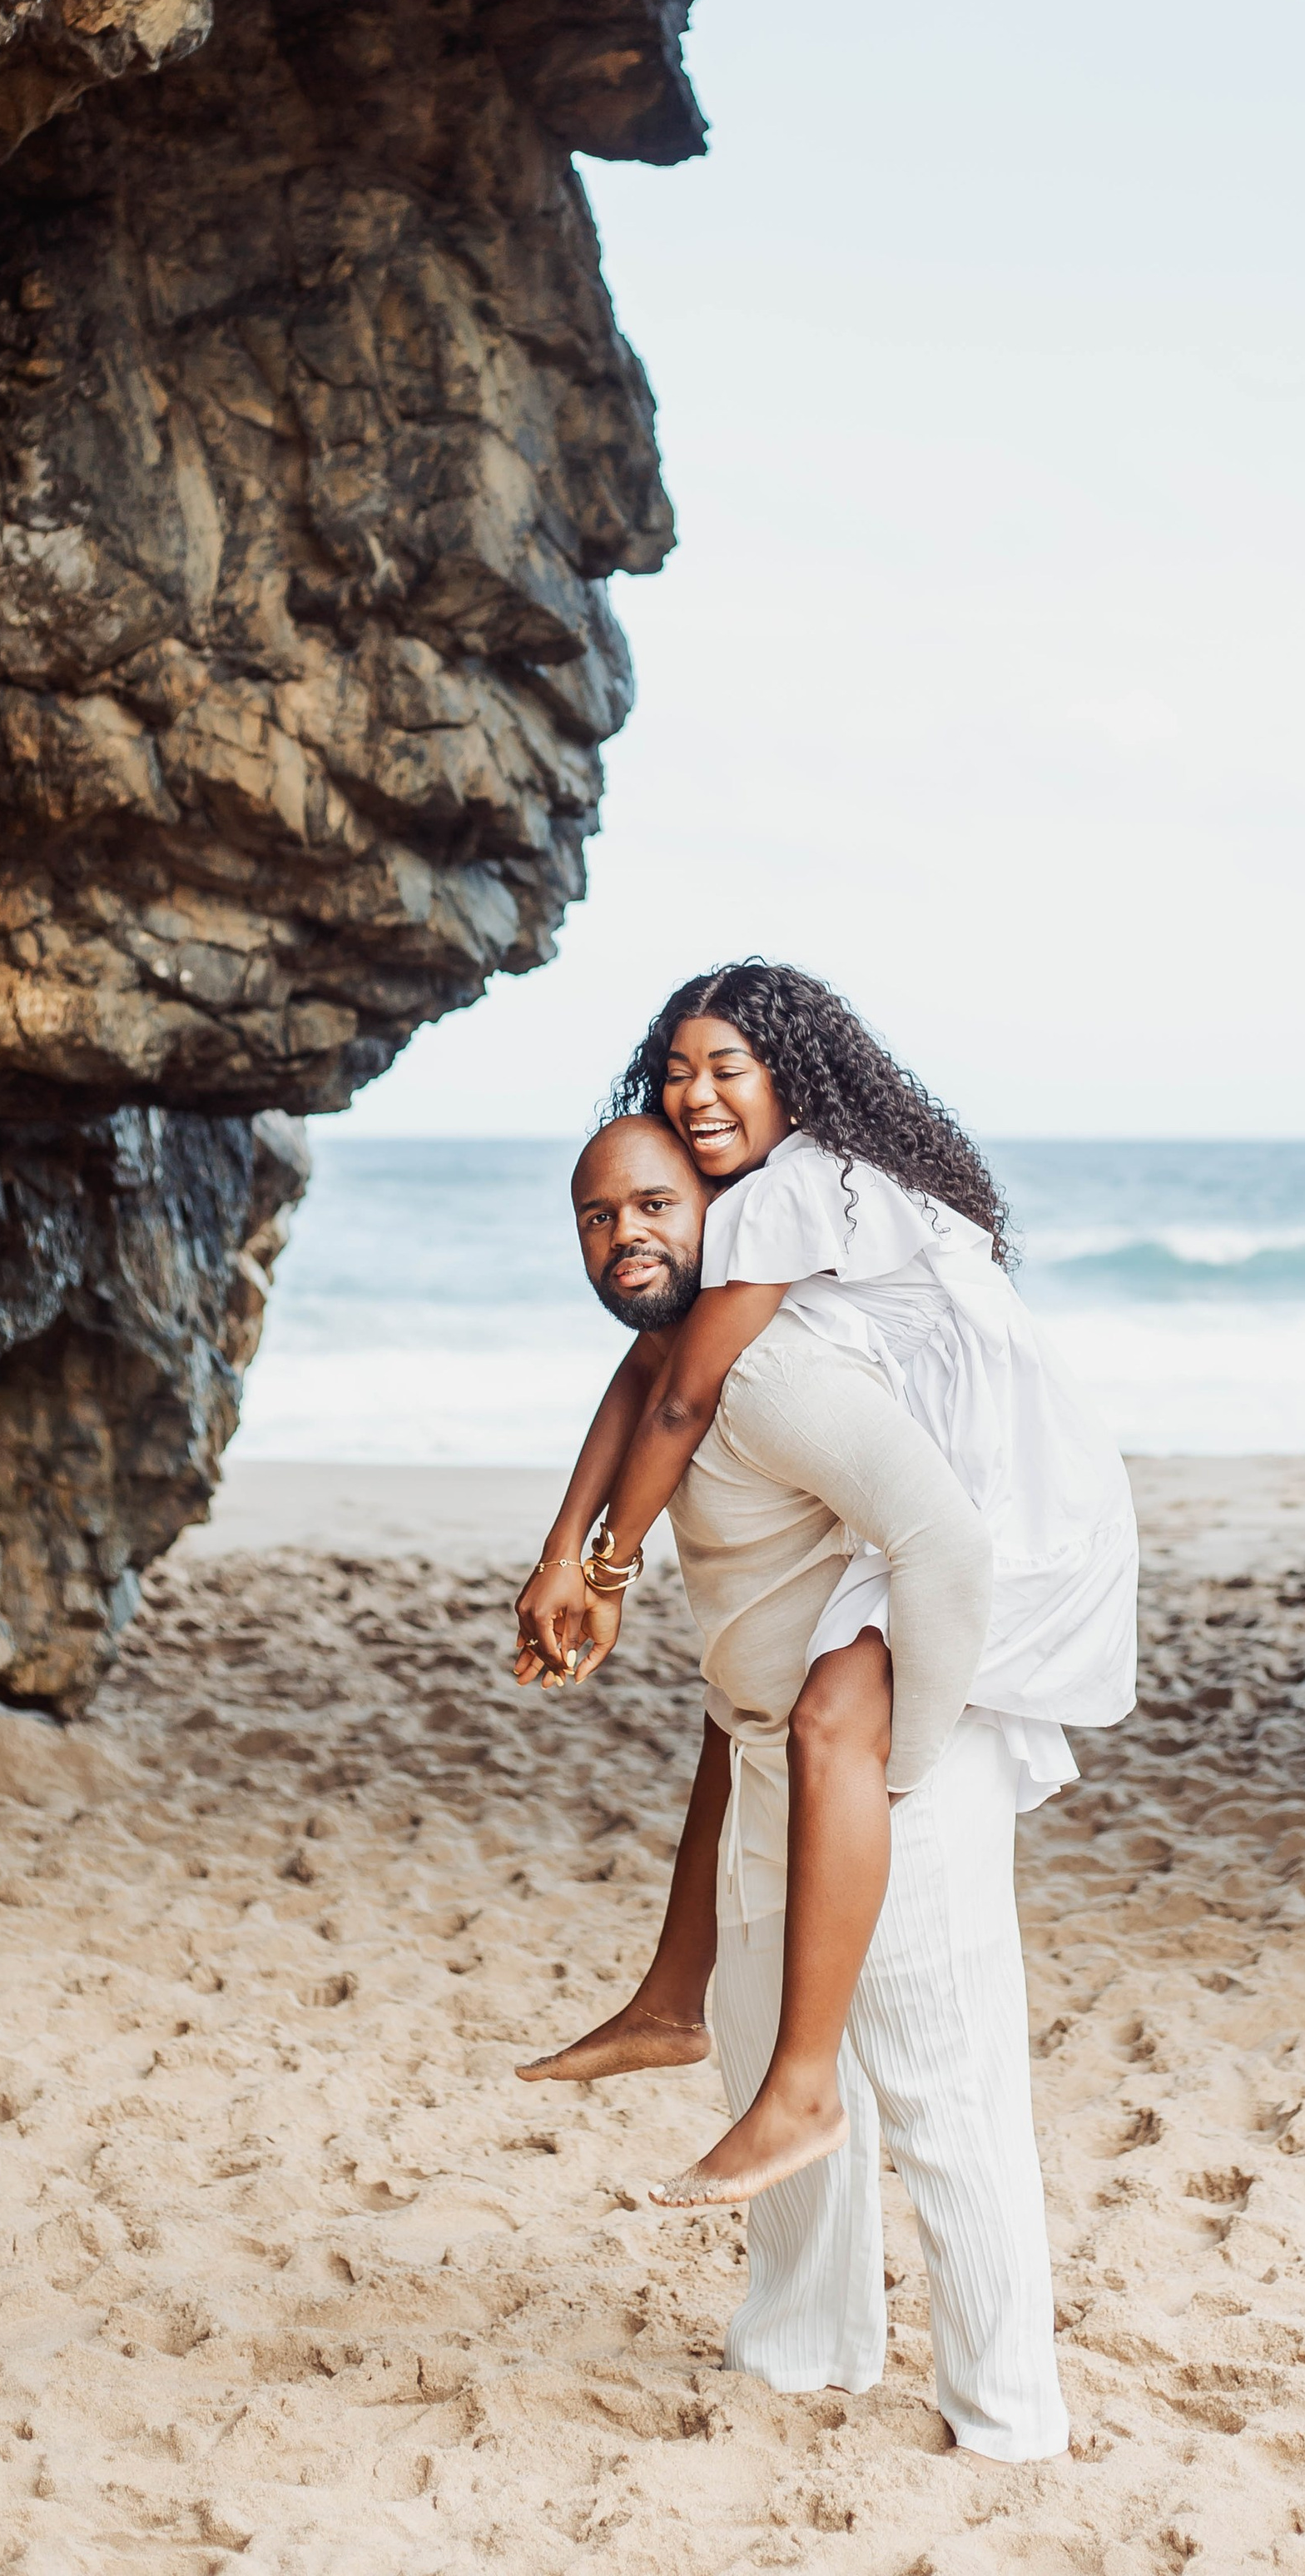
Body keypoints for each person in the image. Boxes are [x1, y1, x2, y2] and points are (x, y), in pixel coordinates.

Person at [514, 963, 1137, 2215]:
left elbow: (686, 1396)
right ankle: (674, 1995)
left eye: (726, 1067)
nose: (695, 1092)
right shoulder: (788, 1191)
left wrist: (612, 1567)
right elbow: (652, 1369)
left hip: (1001, 1510)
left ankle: (801, 2087)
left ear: (793, 1075)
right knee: (736, 1692)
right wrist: (559, 1550)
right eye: (678, 1069)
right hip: (940, 1485)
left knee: (823, 1724)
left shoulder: (788, 1195)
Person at [514, 1110, 1070, 2462]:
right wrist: (577, 1557)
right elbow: (642, 1390)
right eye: (598, 1215)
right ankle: (800, 2345)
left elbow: (946, 1541)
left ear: (723, 1211)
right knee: (765, 2057)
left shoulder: (775, 1372)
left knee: (948, 2097)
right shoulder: (678, 1360)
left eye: (653, 1203)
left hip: (874, 1772)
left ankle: (1008, 2422)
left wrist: (900, 1768)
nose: (627, 1231)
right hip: (767, 1752)